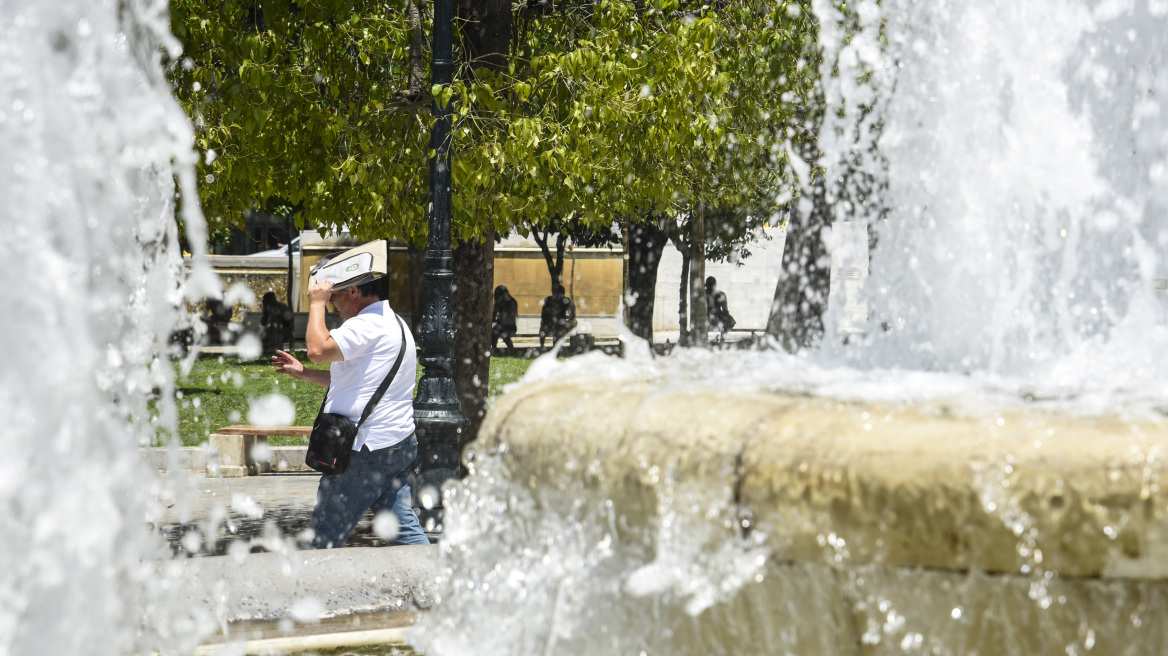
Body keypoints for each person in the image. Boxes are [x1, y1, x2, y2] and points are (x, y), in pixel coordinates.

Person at [270, 277, 429, 548]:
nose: (332, 302)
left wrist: (316, 303)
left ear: (353, 291)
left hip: (364, 452)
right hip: (396, 446)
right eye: (328, 298)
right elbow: (355, 381)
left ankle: (315, 588)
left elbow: (317, 350)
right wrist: (304, 373)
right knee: (405, 532)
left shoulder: (366, 325)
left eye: (335, 295)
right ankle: (436, 583)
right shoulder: (395, 322)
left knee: (325, 536)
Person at [538, 284, 576, 348]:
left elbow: (543, 315)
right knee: (573, 323)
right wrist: (566, 320)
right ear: (563, 292)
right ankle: (571, 345)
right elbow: (572, 315)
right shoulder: (565, 300)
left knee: (545, 326)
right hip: (559, 324)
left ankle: (542, 345)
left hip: (549, 324)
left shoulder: (548, 299)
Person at [492, 285, 518, 350]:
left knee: (500, 332)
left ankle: (510, 347)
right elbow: (493, 315)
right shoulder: (500, 302)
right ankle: (494, 348)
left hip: (510, 327)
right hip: (503, 326)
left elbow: (509, 318)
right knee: (494, 332)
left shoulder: (511, 302)